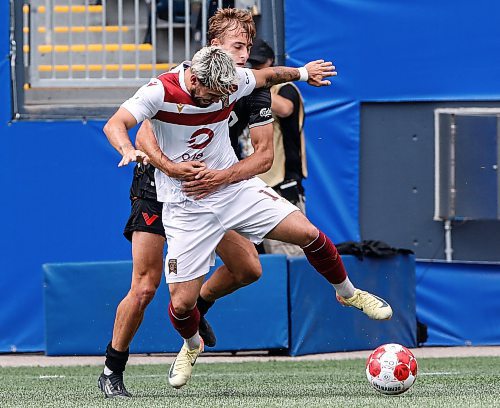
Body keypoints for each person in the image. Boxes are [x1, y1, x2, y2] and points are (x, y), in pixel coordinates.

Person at [110, 45, 390, 390]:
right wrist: (127, 149)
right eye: (210, 94)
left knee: (307, 233)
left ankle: (348, 293)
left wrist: (304, 73)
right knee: (181, 305)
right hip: (185, 202)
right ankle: (191, 343)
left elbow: (269, 75)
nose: (216, 100)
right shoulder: (160, 90)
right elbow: (117, 123)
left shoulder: (234, 80)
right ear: (194, 79)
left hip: (231, 189)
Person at [98, 8, 274, 398]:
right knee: (145, 287)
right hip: (158, 185)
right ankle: (112, 368)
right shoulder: (181, 83)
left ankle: (198, 307)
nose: (243, 54)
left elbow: (265, 149)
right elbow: (142, 131)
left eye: (248, 48)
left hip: (202, 188)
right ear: (215, 46)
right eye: (237, 46)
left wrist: (301, 74)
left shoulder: (247, 86)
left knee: (248, 268)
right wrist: (167, 166)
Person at [246, 38, 308, 256]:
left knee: (288, 254)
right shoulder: (247, 89)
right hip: (253, 185)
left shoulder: (285, 88)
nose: (256, 69)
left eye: (260, 65)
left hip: (283, 183)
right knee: (256, 257)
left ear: (272, 62)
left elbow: (285, 108)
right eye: (252, 65)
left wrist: (255, 85)